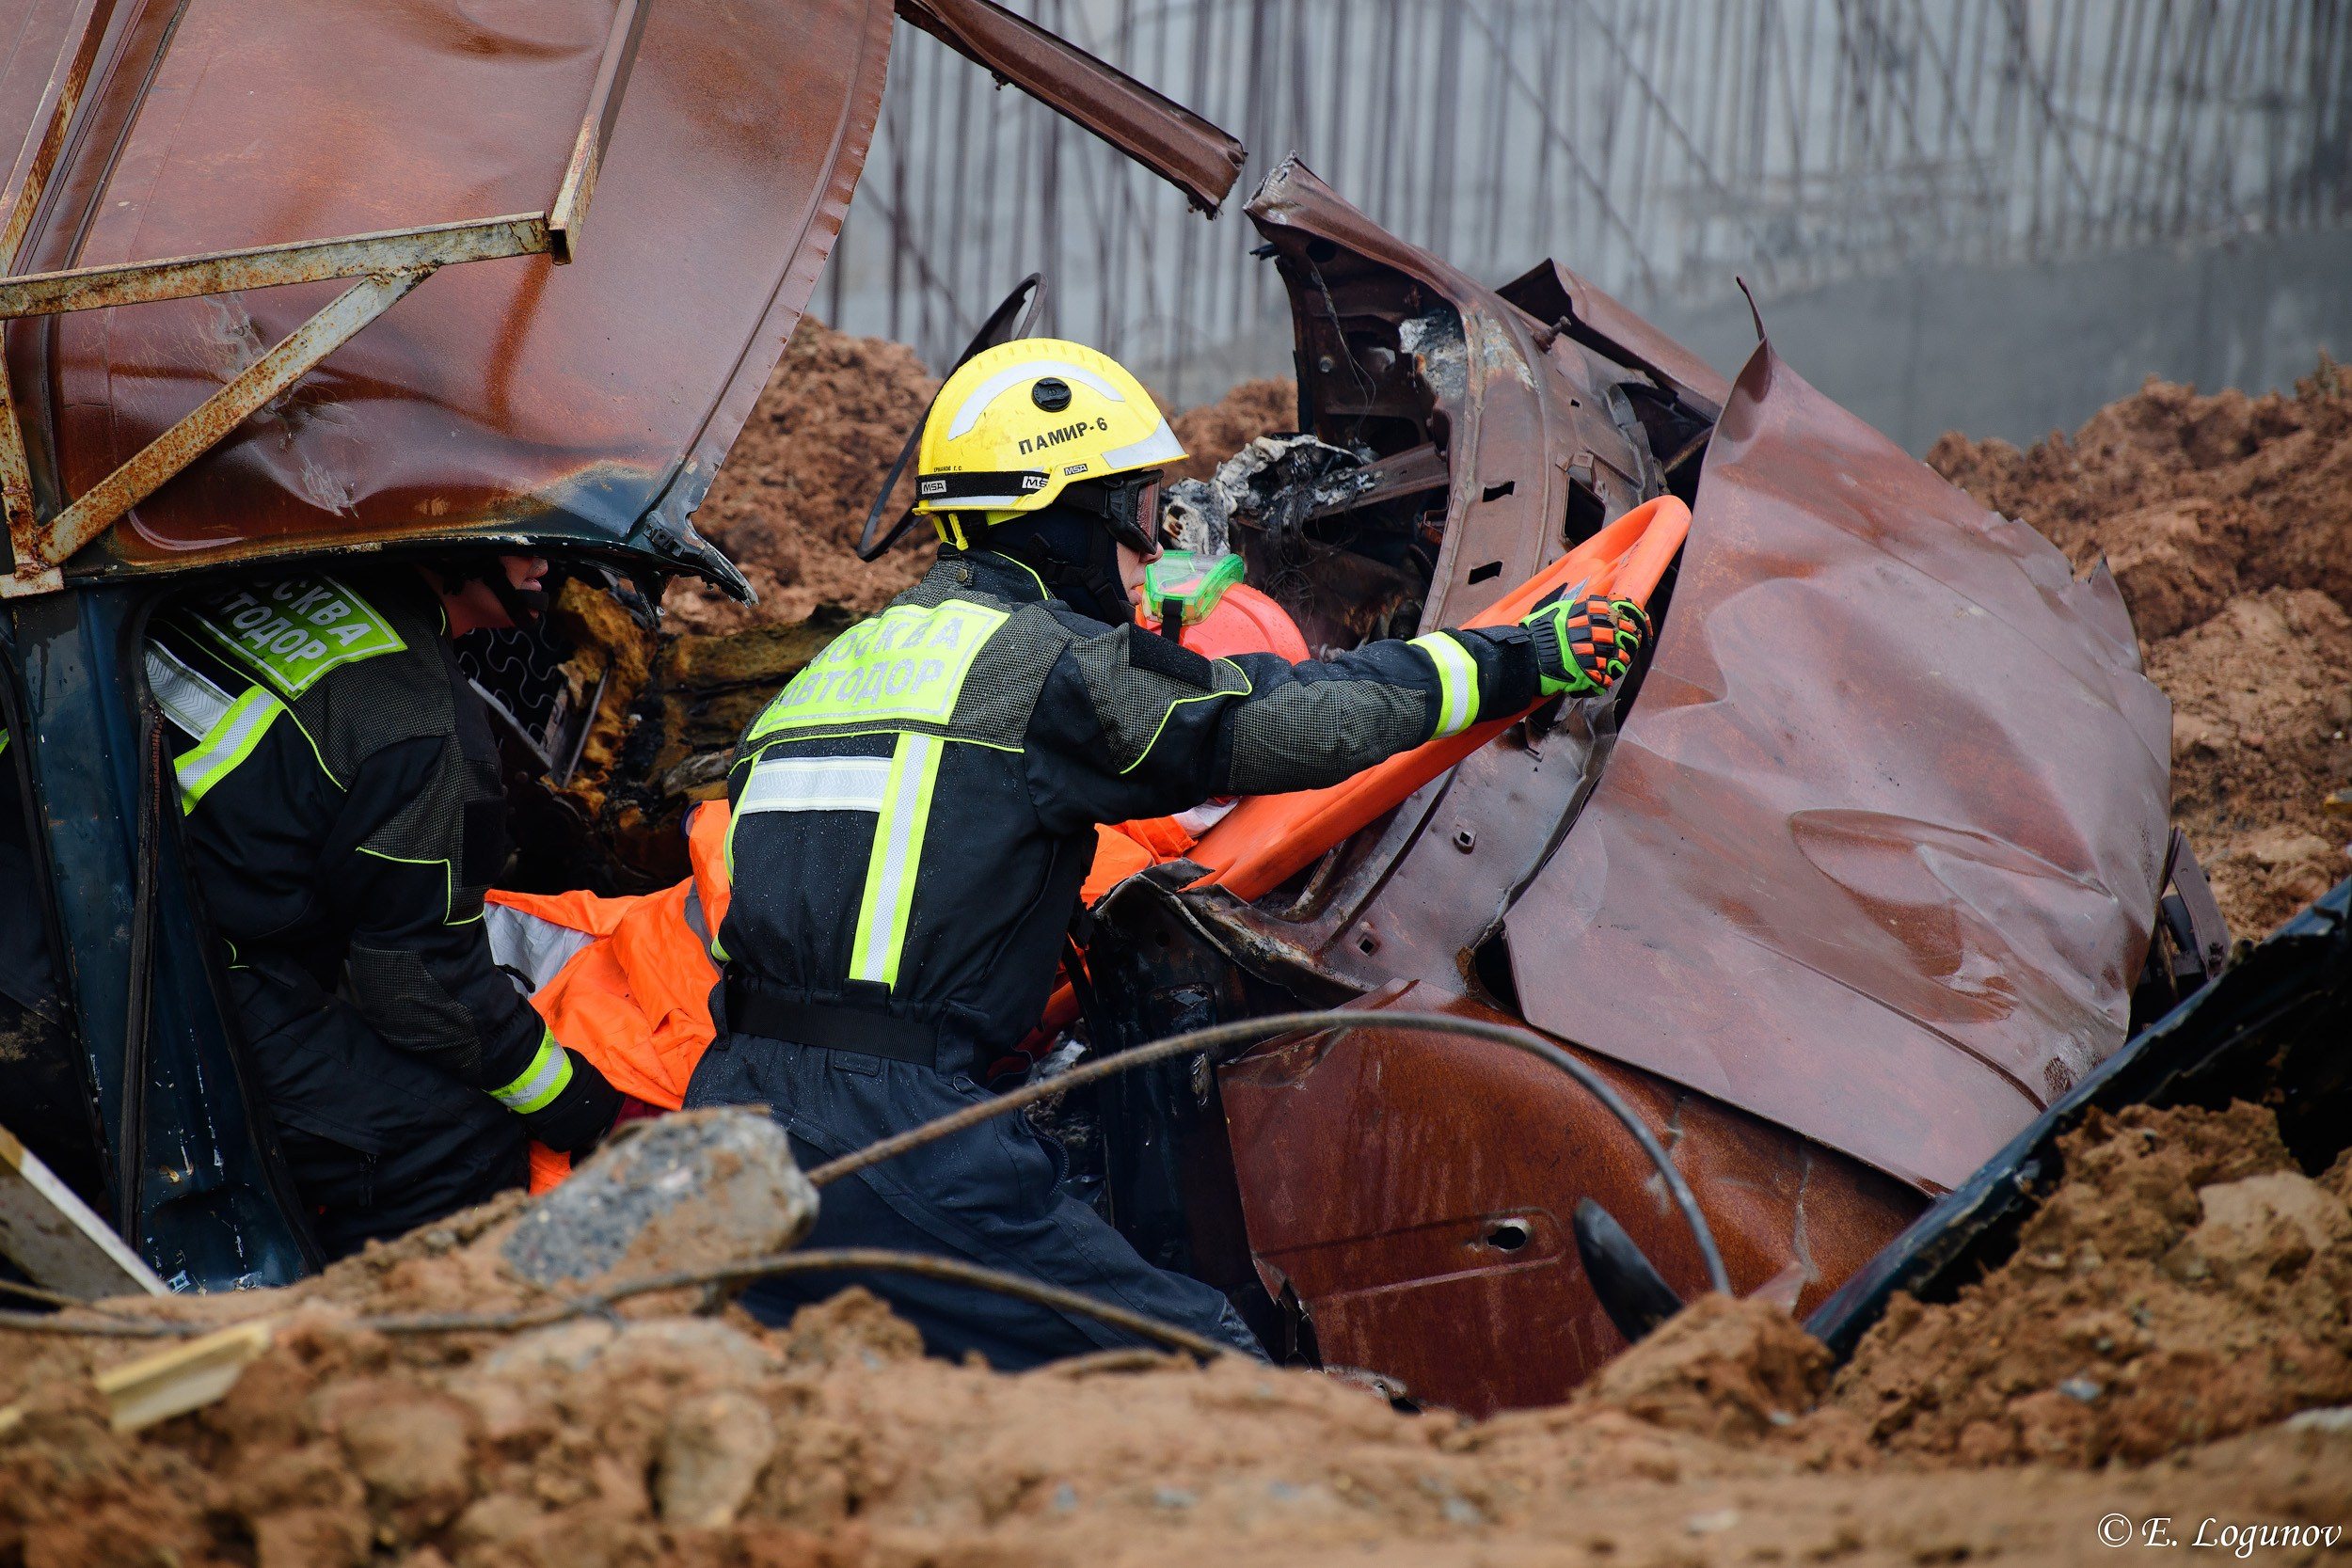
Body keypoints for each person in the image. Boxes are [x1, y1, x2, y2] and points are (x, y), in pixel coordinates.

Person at [689, 338, 1650, 1367]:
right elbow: (1278, 719)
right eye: (1141, 513)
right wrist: (1517, 657)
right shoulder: (1042, 665)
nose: (1153, 551)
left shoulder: (841, 665)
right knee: (1199, 1369)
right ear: (1069, 514)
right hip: (898, 1124)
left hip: (729, 1107)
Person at [145, 555, 621, 1258]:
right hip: (133, 978)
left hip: (65, 879)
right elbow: (420, 986)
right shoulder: (421, 719)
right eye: (527, 536)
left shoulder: (275, 573)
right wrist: (573, 1101)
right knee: (456, 1144)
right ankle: (334, 1342)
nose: (545, 564)